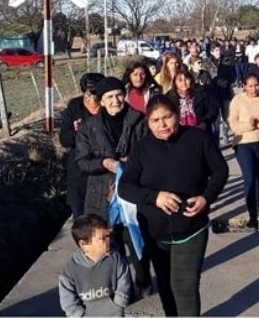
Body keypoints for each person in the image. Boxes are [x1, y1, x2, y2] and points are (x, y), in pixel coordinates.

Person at [119, 95, 228, 316]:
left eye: (167, 117)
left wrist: (206, 197)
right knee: (166, 287)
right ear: (147, 122)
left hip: (191, 227)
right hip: (155, 232)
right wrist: (155, 197)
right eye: (155, 120)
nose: (162, 124)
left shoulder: (198, 139)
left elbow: (220, 171)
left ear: (177, 115)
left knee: (185, 287)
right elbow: (125, 187)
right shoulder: (141, 149)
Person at [75, 76, 150, 296]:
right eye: (109, 97)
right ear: (102, 101)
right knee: (108, 245)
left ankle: (143, 281)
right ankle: (119, 287)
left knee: (137, 243)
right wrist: (103, 163)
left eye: (118, 95)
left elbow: (151, 151)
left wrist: (133, 162)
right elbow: (81, 160)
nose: (115, 100)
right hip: (102, 197)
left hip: (134, 193)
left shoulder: (139, 121)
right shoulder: (89, 127)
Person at [228, 73, 259, 230]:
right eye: (250, 86)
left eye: (256, 85)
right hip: (244, 143)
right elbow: (233, 124)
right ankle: (252, 214)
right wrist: (249, 125)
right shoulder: (238, 100)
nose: (254, 88)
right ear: (244, 86)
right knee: (250, 177)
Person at [59, 214, 131, 317]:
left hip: (114, 313)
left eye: (108, 236)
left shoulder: (115, 258)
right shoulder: (70, 271)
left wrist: (120, 302)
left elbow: (123, 280)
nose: (108, 241)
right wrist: (78, 314)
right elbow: (68, 300)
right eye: (101, 238)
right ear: (83, 244)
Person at [59, 72, 104, 218]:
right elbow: (64, 140)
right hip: (79, 167)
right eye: (88, 95)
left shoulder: (109, 106)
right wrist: (77, 132)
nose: (92, 99)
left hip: (102, 168)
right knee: (80, 213)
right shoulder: (74, 106)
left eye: (96, 95)